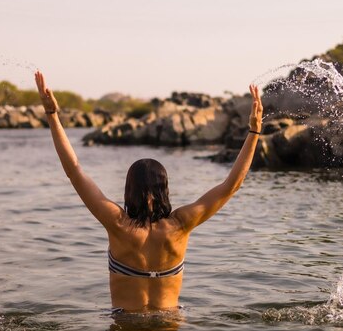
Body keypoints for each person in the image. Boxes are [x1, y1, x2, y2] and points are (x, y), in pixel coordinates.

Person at [35, 71, 263, 312]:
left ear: (129, 189)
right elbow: (231, 185)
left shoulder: (118, 224)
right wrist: (254, 133)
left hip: (126, 328)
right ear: (164, 189)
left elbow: (74, 170)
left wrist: (52, 115)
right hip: (170, 326)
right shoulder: (181, 225)